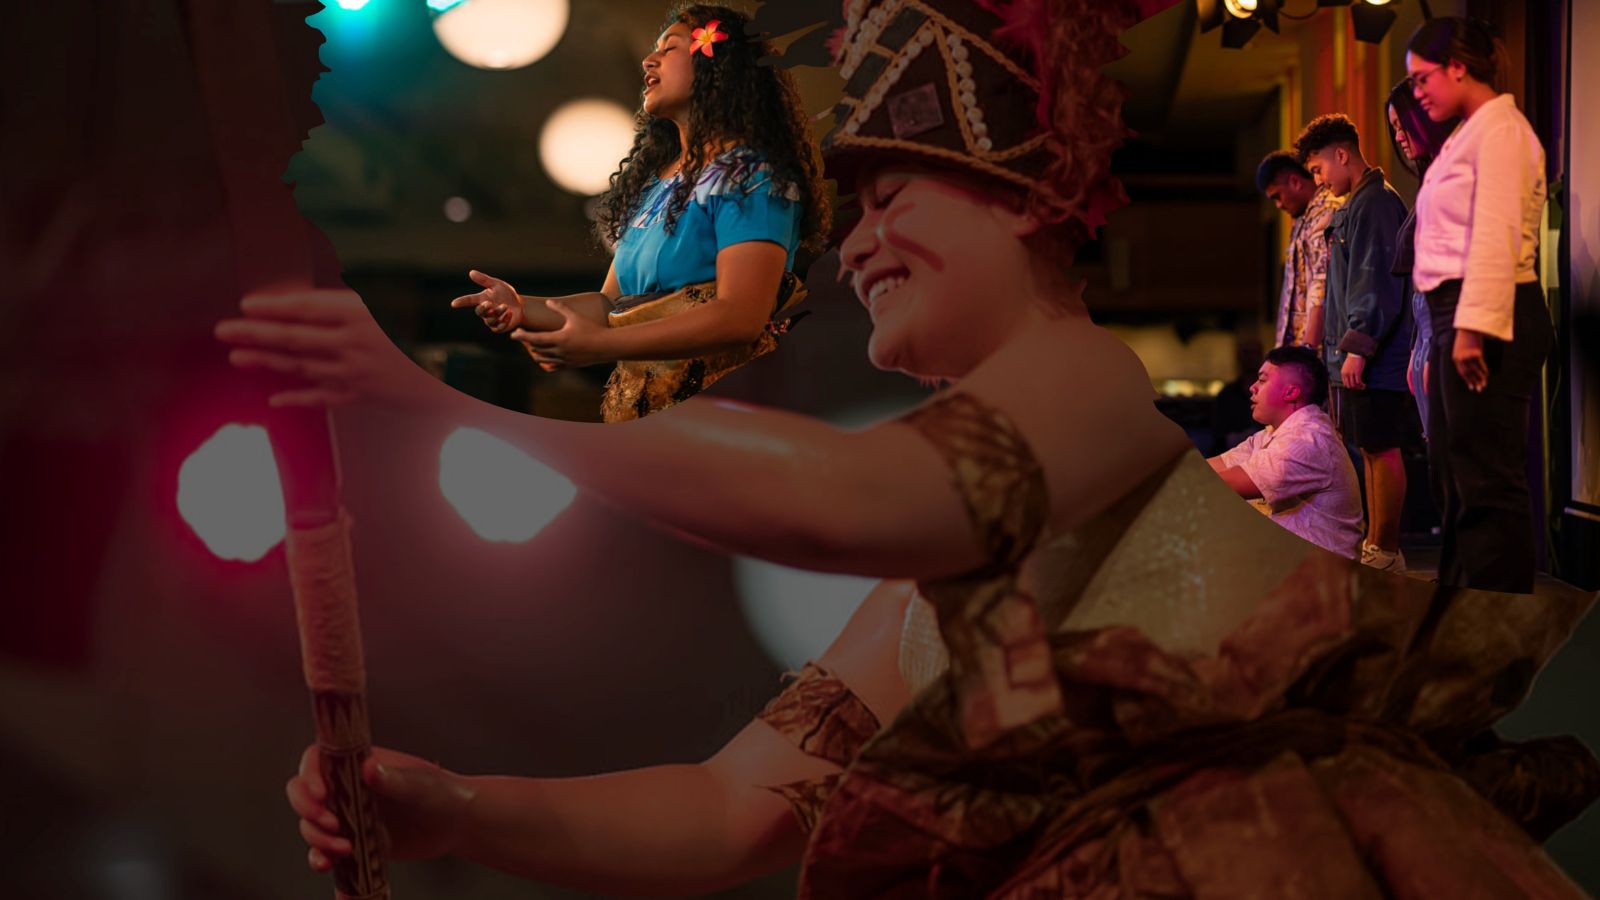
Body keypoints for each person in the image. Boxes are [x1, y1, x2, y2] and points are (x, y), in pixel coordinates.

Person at [220, 0, 1597, 895]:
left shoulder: (1082, 386)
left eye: (895, 194)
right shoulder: (924, 598)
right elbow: (720, 815)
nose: (858, 243)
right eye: (848, 207)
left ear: (1035, 205)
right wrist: (454, 808)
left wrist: (449, 401)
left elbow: (859, 499)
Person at [451, 4, 830, 422]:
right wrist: (522, 306)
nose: (650, 60)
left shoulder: (751, 174)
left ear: (717, 63)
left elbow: (741, 316)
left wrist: (600, 347)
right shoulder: (656, 186)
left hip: (720, 413)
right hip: (646, 410)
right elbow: (610, 303)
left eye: (670, 48)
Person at [1407, 17, 1553, 594]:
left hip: (1490, 315)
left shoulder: (1502, 131)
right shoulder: (1468, 134)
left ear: (1458, 68)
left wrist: (1470, 330)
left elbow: (1496, 234)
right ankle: (1463, 610)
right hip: (1457, 315)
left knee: (1486, 481)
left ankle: (1501, 626)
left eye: (1423, 79)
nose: (1417, 93)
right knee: (1452, 474)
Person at [1295, 113, 1416, 572]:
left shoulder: (1375, 205)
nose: (1319, 181)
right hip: (1359, 353)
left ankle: (1384, 549)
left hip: (1375, 354)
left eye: (1319, 169)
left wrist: (1357, 347)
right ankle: (1375, 544)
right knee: (1368, 446)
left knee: (1381, 446)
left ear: (1341, 154)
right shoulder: (1356, 205)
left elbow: (1375, 281)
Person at [1209, 345, 1364, 558]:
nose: (1252, 387)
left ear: (1291, 392)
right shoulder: (1271, 434)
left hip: (1318, 577)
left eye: (1262, 380)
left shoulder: (1307, 440)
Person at [1386, 78, 1461, 446]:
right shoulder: (1430, 178)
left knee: (1452, 452)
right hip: (1428, 329)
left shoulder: (1452, 175)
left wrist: (1436, 349)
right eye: (1394, 129)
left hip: (1446, 329)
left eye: (1402, 125)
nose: (1399, 136)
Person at [1256, 150, 1343, 349]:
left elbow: (1321, 287)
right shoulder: (1304, 218)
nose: (1278, 205)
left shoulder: (1326, 210)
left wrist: (1307, 352)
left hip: (1318, 352)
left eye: (1277, 196)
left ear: (1295, 181)